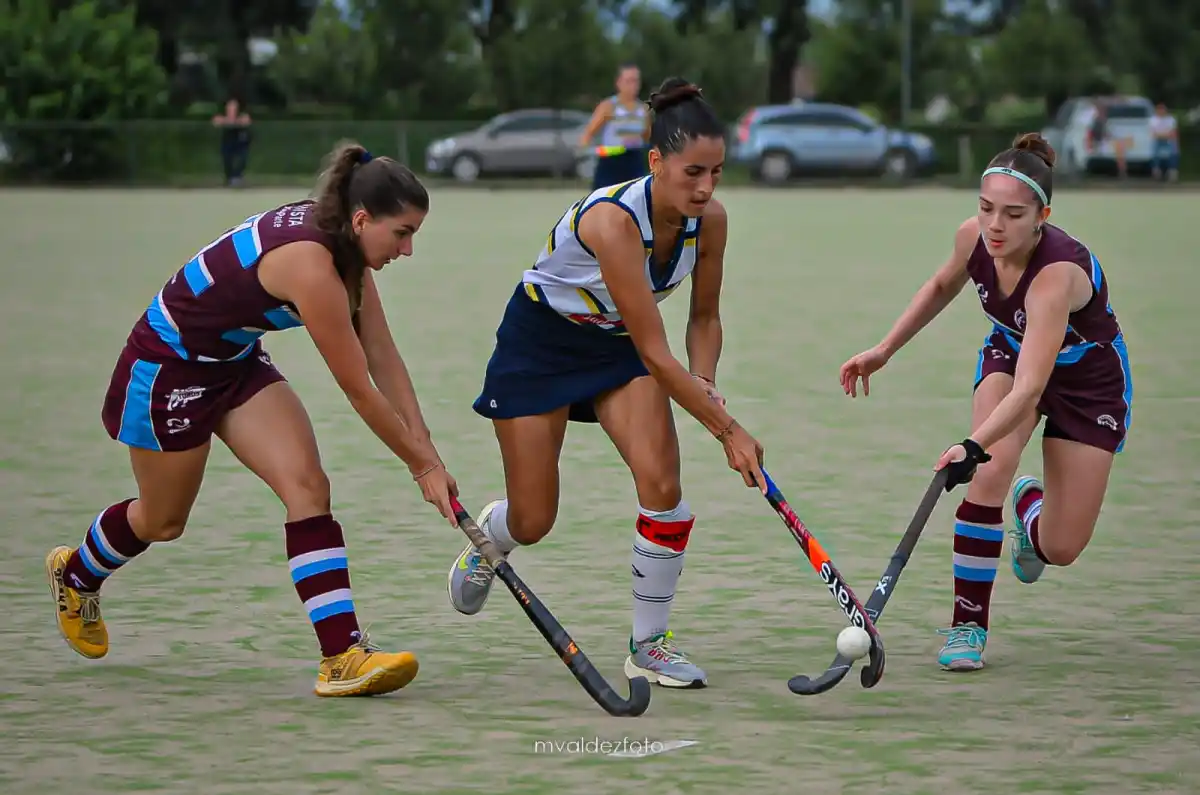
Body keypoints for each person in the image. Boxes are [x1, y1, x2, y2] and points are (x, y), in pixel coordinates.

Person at [45, 141, 460, 698]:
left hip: (232, 361)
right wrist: (419, 468)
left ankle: (341, 655)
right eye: (402, 234)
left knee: (308, 486)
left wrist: (427, 450)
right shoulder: (313, 268)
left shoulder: (346, 247)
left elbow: (382, 353)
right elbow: (360, 388)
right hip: (168, 369)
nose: (407, 250)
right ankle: (76, 573)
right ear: (363, 220)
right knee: (164, 521)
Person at [448, 77, 766, 690]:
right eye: (692, 172)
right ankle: (493, 532)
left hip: (616, 347)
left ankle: (649, 644)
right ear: (656, 162)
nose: (705, 187)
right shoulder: (613, 222)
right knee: (536, 518)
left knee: (663, 484)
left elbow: (703, 317)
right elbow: (655, 346)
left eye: (718, 172)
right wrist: (728, 430)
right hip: (541, 345)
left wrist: (706, 383)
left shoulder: (711, 222)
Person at [839, 132, 1132, 672]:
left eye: (1014, 215)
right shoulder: (974, 237)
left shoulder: (1056, 276)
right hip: (1011, 353)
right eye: (987, 208)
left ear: (1043, 215)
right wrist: (883, 350)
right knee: (987, 476)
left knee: (1061, 547)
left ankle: (1030, 508)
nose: (996, 225)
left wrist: (971, 444)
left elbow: (1030, 391)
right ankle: (967, 625)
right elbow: (941, 285)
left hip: (1088, 383)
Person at [579, 63, 651, 191]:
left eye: (636, 81)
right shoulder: (608, 106)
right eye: (628, 81)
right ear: (619, 82)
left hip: (634, 162)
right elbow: (589, 133)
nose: (633, 85)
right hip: (611, 162)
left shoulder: (643, 110)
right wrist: (586, 156)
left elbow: (647, 138)